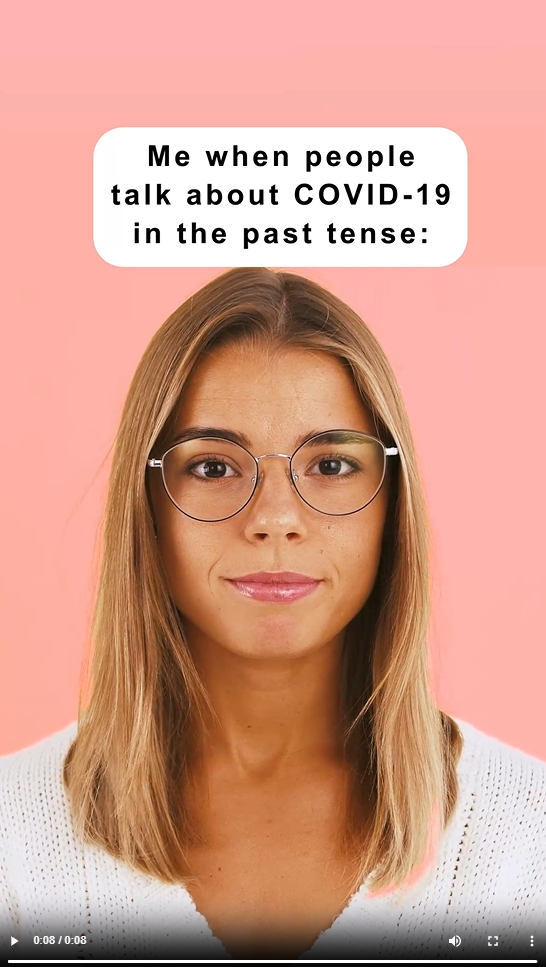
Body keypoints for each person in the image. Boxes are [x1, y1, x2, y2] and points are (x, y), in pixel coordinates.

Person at [1, 267, 545, 962]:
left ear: (392, 507)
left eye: (331, 464)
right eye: (212, 466)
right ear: (148, 511)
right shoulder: (12, 836)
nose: (277, 519)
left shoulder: (529, 835)